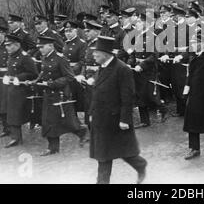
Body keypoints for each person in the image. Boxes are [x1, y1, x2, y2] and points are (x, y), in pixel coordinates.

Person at [89, 36, 147, 184]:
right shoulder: (102, 67)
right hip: (101, 119)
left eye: (96, 53)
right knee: (104, 156)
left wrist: (124, 120)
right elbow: (97, 93)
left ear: (106, 53)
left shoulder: (122, 69)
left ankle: (140, 165)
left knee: (124, 153)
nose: (93, 55)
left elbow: (128, 97)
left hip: (116, 120)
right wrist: (91, 113)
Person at [36, 36, 87, 156]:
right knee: (49, 121)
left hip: (60, 94)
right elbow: (43, 72)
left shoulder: (61, 59)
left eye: (42, 47)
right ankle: (53, 147)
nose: (40, 50)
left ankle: (81, 131)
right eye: (39, 47)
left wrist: (53, 83)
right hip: (48, 93)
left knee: (66, 120)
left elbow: (69, 77)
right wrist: (36, 81)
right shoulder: (44, 57)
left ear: (50, 46)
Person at [3, 34, 38, 148]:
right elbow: (11, 71)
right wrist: (7, 76)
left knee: (20, 113)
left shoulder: (25, 57)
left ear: (17, 45)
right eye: (6, 45)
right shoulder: (11, 56)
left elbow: (33, 74)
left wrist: (20, 77)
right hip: (13, 88)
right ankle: (16, 138)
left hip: (23, 89)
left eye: (9, 45)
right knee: (13, 113)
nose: (7, 48)